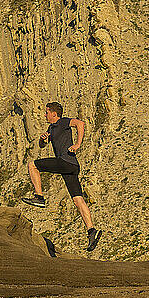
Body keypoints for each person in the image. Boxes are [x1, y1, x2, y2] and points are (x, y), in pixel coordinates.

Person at [22, 102, 102, 251]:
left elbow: (80, 123)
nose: (45, 115)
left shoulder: (63, 121)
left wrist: (78, 144)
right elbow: (42, 146)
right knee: (78, 199)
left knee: (32, 165)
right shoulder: (51, 128)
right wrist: (43, 139)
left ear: (54, 114)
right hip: (70, 168)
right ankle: (92, 231)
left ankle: (39, 197)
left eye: (46, 112)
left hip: (65, 162)